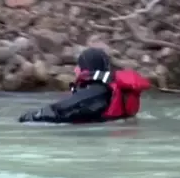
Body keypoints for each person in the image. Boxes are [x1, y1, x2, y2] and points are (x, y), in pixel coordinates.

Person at [18, 47, 152, 124]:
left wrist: (30, 116)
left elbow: (61, 109)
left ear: (85, 68)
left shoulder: (96, 92)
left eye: (79, 66)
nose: (76, 69)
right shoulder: (111, 90)